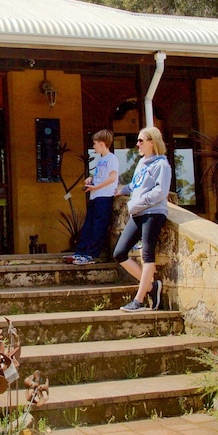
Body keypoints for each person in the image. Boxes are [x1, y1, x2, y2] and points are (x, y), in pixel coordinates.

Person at [113, 126, 172, 312]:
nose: (137, 144)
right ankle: (151, 287)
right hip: (138, 213)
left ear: (152, 142)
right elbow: (135, 184)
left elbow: (161, 191)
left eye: (141, 140)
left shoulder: (162, 165)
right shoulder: (142, 163)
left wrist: (139, 202)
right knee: (119, 253)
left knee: (147, 255)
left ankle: (138, 301)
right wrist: (121, 191)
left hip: (153, 213)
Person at [71, 129, 119, 265]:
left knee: (99, 226)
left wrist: (96, 187)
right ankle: (80, 252)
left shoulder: (112, 158)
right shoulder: (101, 160)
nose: (93, 147)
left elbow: (112, 178)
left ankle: (90, 254)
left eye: (95, 144)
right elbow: (101, 176)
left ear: (102, 144)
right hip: (95, 196)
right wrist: (91, 180)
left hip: (104, 197)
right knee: (89, 224)